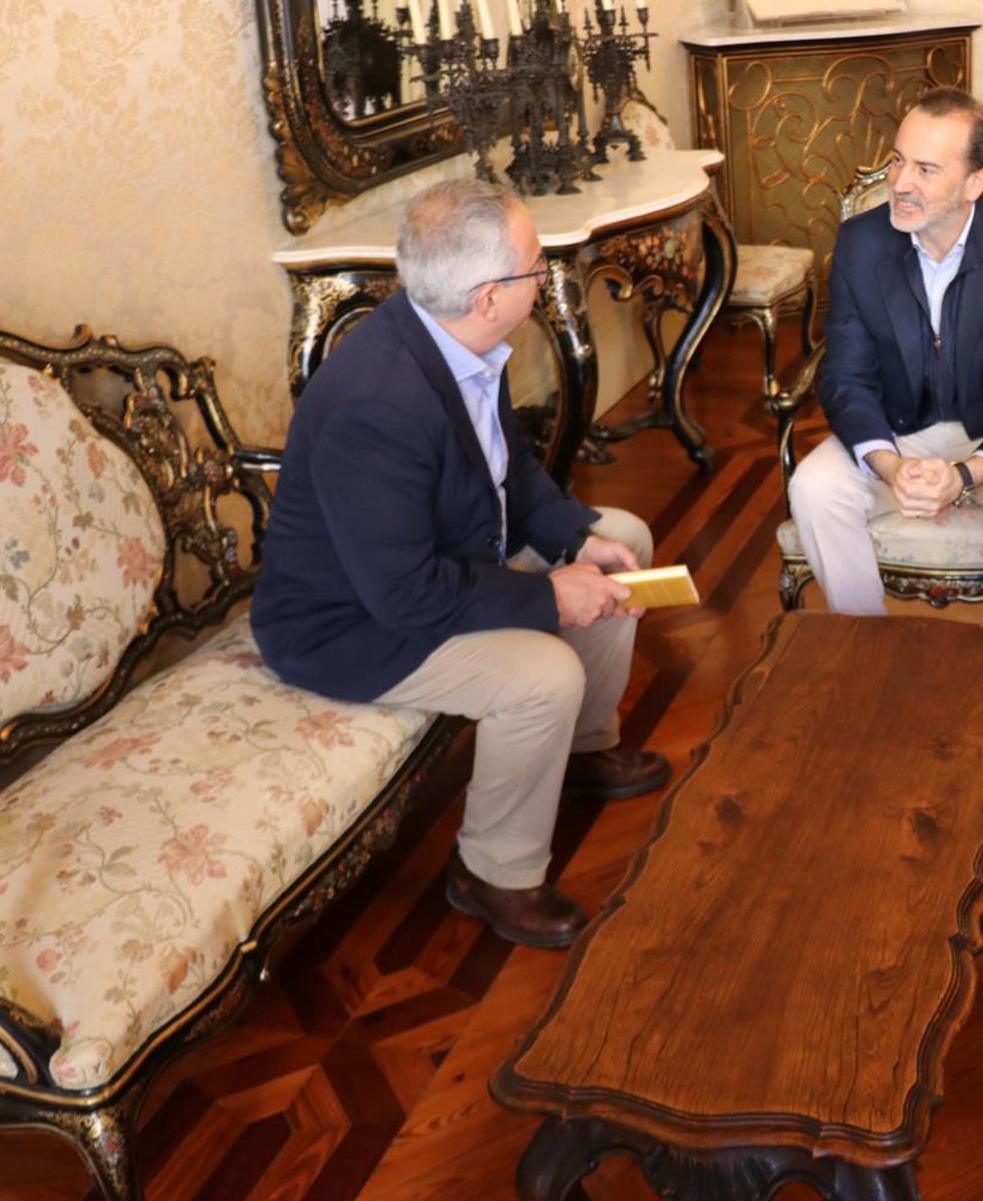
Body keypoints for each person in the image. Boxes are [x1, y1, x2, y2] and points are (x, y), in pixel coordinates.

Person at [251, 178, 671, 950]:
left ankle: (581, 751)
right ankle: (493, 873)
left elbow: (510, 473)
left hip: (440, 557)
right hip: (350, 626)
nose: (546, 274)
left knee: (623, 540)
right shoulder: (376, 404)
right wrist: (551, 597)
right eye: (537, 264)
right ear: (488, 296)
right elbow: (406, 596)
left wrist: (576, 539)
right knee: (544, 674)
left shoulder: (456, 338)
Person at [787, 87, 983, 628]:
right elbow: (846, 376)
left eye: (926, 169)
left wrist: (968, 473)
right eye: (898, 160)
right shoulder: (860, 242)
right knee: (813, 488)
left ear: (976, 183)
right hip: (897, 430)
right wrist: (891, 466)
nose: (900, 183)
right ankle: (866, 647)